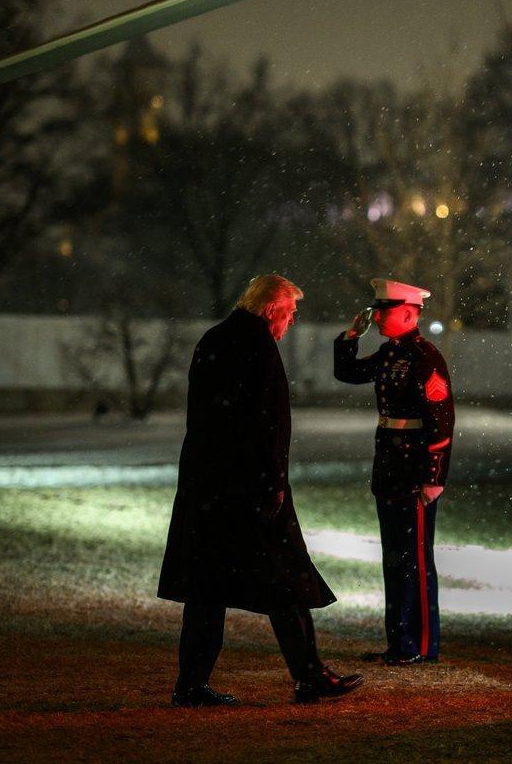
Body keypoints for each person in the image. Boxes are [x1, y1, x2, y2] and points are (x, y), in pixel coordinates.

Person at [158, 274, 362, 706]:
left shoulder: (213, 339)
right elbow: (269, 425)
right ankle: (309, 676)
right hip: (249, 489)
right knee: (285, 580)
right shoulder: (258, 348)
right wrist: (274, 484)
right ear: (272, 309)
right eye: (288, 313)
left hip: (206, 487)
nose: (289, 323)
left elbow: (207, 418)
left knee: (205, 589)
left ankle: (190, 684)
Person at [333, 278, 454, 665]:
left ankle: (419, 646)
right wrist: (351, 336)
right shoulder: (389, 353)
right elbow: (348, 372)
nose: (378, 316)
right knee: (394, 559)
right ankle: (398, 643)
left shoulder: (425, 357)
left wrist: (434, 477)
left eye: (383, 311)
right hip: (390, 466)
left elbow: (442, 421)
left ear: (407, 312)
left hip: (415, 470)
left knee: (416, 560)